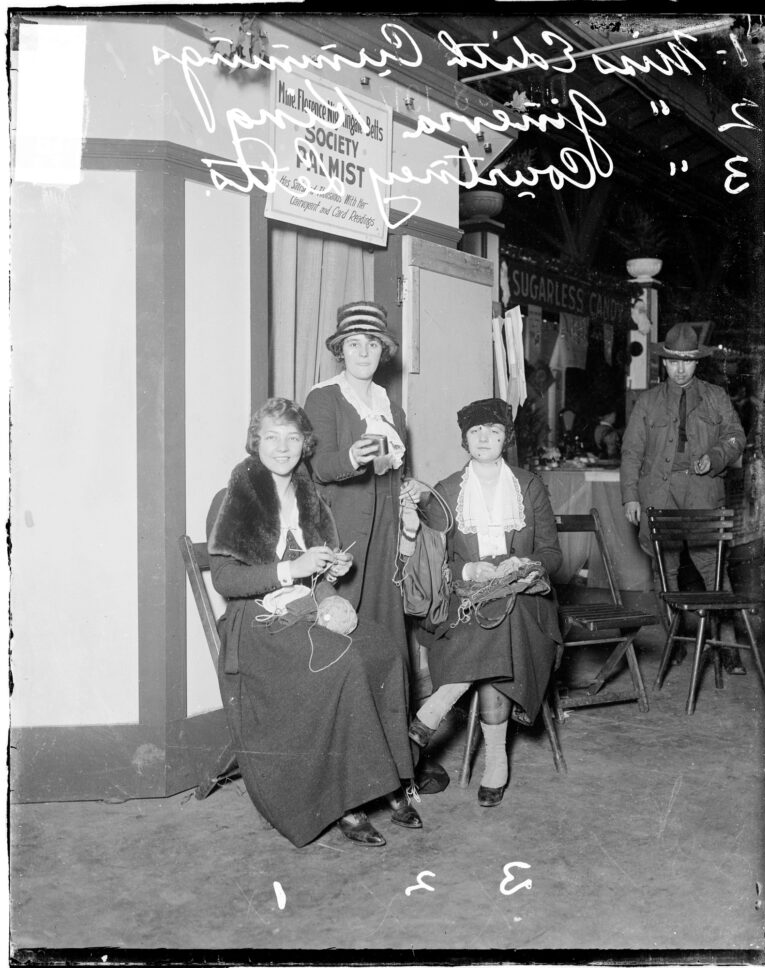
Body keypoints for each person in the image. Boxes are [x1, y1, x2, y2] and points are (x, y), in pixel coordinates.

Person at [206, 398, 421, 848]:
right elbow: (226, 578)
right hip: (257, 621)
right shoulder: (234, 497)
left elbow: (317, 575)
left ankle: (394, 779)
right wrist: (294, 569)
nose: (282, 447)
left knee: (382, 649)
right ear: (255, 442)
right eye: (271, 437)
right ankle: (348, 803)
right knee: (340, 663)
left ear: (306, 444)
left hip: (304, 607)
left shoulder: (311, 496)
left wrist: (328, 579)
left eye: (292, 438)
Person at [408, 398, 563, 807]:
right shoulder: (446, 492)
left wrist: (523, 563)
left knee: (505, 615)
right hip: (466, 601)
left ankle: (435, 709)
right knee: (490, 622)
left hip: (525, 599)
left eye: (493, 432)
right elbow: (434, 562)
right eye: (476, 431)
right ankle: (497, 760)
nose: (484, 439)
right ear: (465, 439)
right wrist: (468, 572)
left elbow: (552, 554)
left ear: (506, 439)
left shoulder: (529, 486)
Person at [620, 322, 747, 673]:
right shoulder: (647, 401)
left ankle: (728, 647)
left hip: (703, 492)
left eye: (687, 362)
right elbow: (631, 451)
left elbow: (737, 436)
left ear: (696, 363)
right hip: (659, 494)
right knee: (665, 570)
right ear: (664, 362)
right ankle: (674, 639)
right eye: (673, 361)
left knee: (713, 567)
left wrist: (717, 455)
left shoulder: (716, 397)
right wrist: (630, 496)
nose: (679, 369)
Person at [304, 301, 424, 658]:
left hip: (385, 539)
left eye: (372, 343)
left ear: (382, 351)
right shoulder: (324, 397)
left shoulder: (392, 409)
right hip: (341, 536)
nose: (363, 352)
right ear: (341, 350)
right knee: (341, 635)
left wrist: (409, 487)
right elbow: (318, 468)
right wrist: (353, 457)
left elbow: (397, 473)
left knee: (385, 632)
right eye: (354, 343)